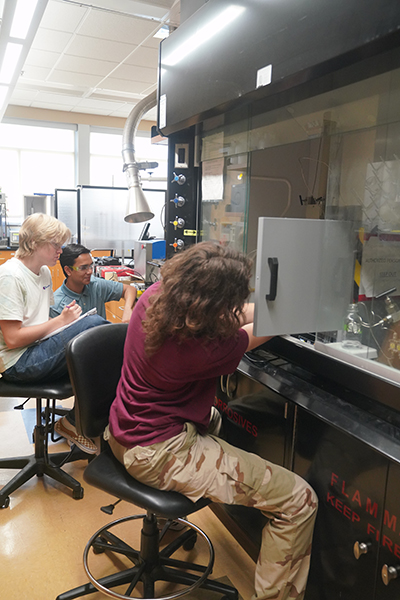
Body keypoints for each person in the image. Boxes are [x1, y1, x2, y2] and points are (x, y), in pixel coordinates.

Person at [105, 241, 318, 600]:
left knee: (237, 421)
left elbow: (233, 315)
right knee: (299, 500)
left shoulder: (158, 296)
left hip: (128, 427)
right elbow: (260, 327)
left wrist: (261, 305)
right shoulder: (196, 351)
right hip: (159, 451)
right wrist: (300, 307)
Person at [0, 213, 107, 454]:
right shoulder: (10, 276)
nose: (60, 250)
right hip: (18, 363)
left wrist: (67, 324)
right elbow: (13, 338)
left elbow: (42, 321)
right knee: (98, 328)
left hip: (38, 348)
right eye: (55, 244)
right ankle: (74, 423)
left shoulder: (45, 273)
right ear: (35, 242)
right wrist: (61, 321)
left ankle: (75, 421)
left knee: (96, 340)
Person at [50, 243, 137, 323]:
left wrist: (128, 310)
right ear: (68, 270)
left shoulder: (95, 285)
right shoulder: (57, 305)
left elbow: (129, 289)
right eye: (83, 268)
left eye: (90, 266)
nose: (90, 271)